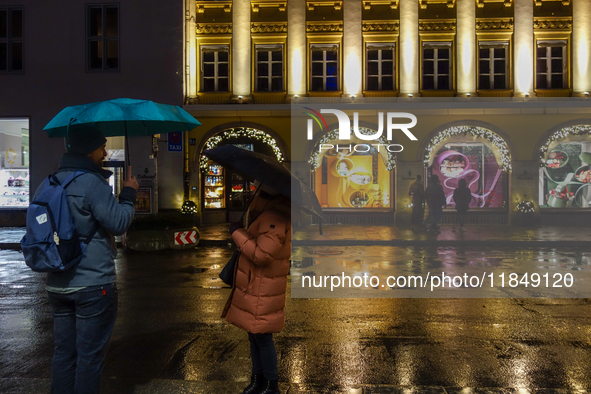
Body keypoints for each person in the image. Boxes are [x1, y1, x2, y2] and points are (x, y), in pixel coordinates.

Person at [37, 123, 138, 394]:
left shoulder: (48, 182)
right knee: (89, 358)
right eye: (102, 146)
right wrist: (128, 194)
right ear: (89, 150)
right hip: (93, 284)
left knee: (63, 354)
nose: (105, 152)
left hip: (57, 283)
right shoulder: (91, 183)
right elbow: (118, 224)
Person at [222, 184, 291, 394]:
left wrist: (237, 233)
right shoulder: (269, 214)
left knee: (262, 336)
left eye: (256, 194)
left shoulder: (274, 218)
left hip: (263, 287)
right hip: (257, 285)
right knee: (254, 334)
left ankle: (271, 384)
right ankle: (258, 379)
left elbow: (262, 255)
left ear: (264, 196)